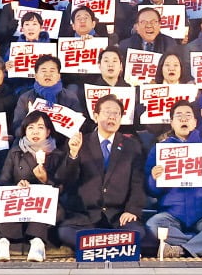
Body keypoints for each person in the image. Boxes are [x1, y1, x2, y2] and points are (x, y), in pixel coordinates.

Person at [145, 100, 202, 258]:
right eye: (178, 116)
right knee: (153, 224)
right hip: (171, 215)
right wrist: (153, 178)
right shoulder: (160, 149)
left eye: (188, 115)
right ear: (172, 122)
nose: (183, 119)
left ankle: (182, 249)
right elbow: (150, 190)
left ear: (195, 122)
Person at [56, 94, 146, 249]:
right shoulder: (79, 142)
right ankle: (113, 244)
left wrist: (131, 210)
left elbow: (137, 182)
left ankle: (94, 244)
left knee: (138, 232)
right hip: (86, 216)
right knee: (64, 232)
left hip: (118, 216)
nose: (112, 117)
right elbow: (66, 179)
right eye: (107, 112)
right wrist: (73, 154)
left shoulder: (132, 145)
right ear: (96, 116)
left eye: (116, 113)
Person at [0, 111, 68, 262]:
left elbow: (62, 186)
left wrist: (45, 180)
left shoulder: (58, 155)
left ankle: (37, 241)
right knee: (10, 203)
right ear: (24, 131)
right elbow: (2, 181)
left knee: (46, 207)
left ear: (48, 131)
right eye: (30, 127)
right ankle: (4, 241)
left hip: (44, 203)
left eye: (40, 127)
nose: (35, 131)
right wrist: (17, 186)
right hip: (19, 199)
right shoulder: (15, 153)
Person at [11, 55, 82, 137]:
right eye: (43, 71)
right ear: (36, 76)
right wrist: (27, 124)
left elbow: (78, 128)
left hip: (61, 144)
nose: (48, 74)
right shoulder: (26, 98)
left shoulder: (70, 97)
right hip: (32, 142)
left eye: (52, 71)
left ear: (59, 76)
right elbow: (16, 128)